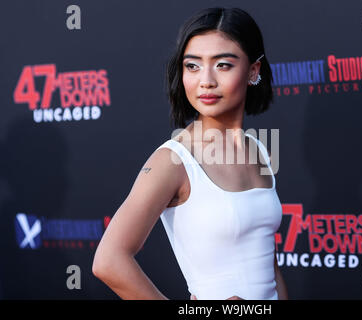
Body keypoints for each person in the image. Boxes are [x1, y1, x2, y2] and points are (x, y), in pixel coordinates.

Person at [92, 7, 288, 300]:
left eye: (223, 65)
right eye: (193, 66)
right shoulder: (174, 160)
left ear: (253, 71)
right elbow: (109, 261)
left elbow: (268, 265)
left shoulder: (259, 147)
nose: (206, 80)